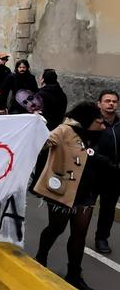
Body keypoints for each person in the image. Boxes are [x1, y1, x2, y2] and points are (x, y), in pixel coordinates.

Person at [33, 102, 114, 289]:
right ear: (87, 119)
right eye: (98, 121)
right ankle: (41, 257)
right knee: (56, 228)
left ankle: (74, 274)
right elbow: (43, 143)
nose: (102, 124)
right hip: (62, 191)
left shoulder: (101, 135)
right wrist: (35, 125)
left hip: (87, 193)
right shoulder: (65, 131)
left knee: (79, 234)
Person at [95, 90, 119, 254]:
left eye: (114, 101)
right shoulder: (92, 122)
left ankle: (102, 238)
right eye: (107, 101)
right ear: (99, 104)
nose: (111, 104)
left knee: (108, 209)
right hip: (92, 174)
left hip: (114, 175)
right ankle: (78, 235)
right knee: (85, 208)